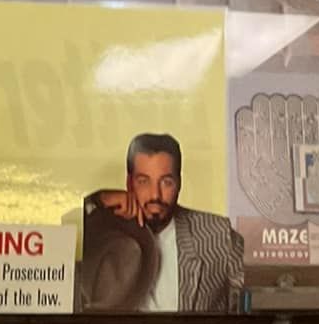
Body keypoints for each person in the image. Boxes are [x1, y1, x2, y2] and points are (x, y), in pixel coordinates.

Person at [80, 132, 244, 314]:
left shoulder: (218, 234)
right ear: (129, 183)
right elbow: (64, 245)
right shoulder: (103, 227)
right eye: (144, 181)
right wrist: (98, 200)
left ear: (179, 183)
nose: (155, 195)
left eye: (166, 182)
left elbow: (254, 299)